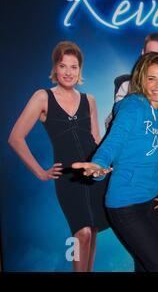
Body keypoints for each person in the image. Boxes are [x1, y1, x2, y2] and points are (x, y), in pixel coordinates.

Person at [8, 41, 109, 272]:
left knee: (92, 231)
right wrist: (41, 172)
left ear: (80, 70)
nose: (68, 72)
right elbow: (15, 137)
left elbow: (95, 139)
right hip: (69, 179)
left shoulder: (89, 100)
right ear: (55, 68)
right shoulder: (42, 97)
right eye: (63, 66)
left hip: (93, 177)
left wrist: (102, 166)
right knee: (81, 232)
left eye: (74, 67)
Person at [72, 52, 158, 272]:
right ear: (141, 80)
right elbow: (113, 141)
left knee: (145, 267)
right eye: (152, 78)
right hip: (126, 205)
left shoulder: (157, 112)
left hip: (152, 201)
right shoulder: (133, 106)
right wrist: (98, 164)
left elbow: (146, 160)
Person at [110, 33, 158, 270]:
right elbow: (118, 131)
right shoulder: (129, 91)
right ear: (142, 56)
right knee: (146, 250)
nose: (155, 58)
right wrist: (101, 164)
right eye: (151, 54)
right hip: (135, 180)